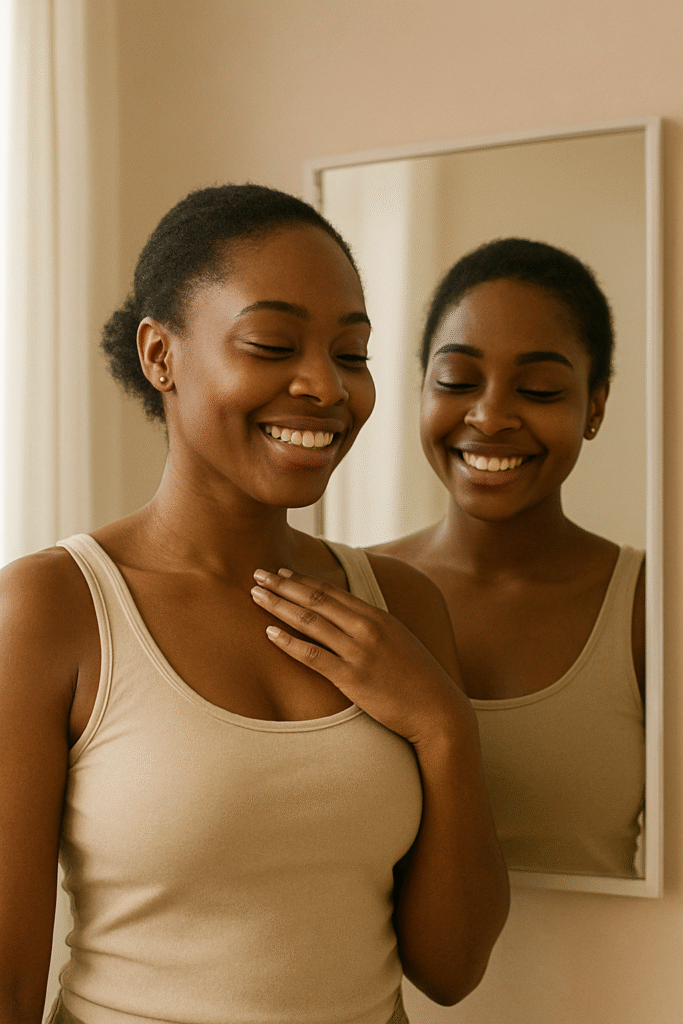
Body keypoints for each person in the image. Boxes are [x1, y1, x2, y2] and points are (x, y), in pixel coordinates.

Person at [0, 185, 509, 1024]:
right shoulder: (55, 608)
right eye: (272, 345)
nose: (324, 386)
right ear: (160, 356)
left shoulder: (401, 605)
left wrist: (444, 727)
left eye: (351, 354)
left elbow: (450, 970)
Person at [375, 238, 645, 878]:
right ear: (422, 390)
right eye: (457, 381)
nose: (491, 416)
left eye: (541, 389)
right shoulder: (350, 590)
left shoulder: (647, 608)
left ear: (595, 406)